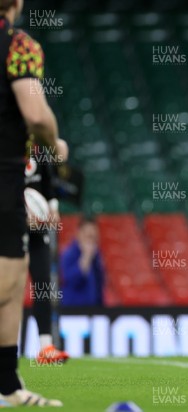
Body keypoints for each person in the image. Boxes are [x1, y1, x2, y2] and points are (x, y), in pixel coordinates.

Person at [0, 0, 68, 406]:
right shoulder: (18, 45)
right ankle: (7, 383)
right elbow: (37, 116)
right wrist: (54, 143)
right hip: (4, 173)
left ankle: (7, 385)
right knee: (9, 281)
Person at [25, 143, 69, 364]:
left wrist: (53, 208)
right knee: (7, 288)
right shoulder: (7, 148)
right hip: (10, 229)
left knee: (42, 284)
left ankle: (46, 347)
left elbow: (47, 183)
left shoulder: (39, 150)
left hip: (37, 232)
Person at [60, 217, 105, 307]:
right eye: (88, 236)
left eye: (93, 237)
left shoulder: (96, 256)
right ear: (79, 234)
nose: (91, 240)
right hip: (73, 310)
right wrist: (86, 257)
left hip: (93, 309)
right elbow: (71, 280)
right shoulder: (69, 254)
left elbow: (100, 284)